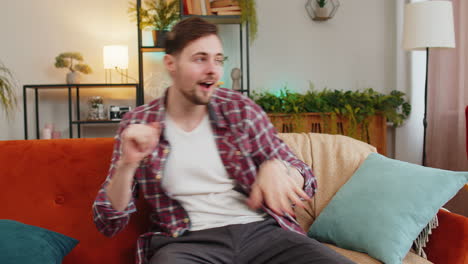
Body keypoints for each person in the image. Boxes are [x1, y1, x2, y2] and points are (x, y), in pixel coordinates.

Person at [93, 17, 354, 264]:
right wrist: (127, 164)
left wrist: (278, 167)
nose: (212, 70)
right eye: (200, 59)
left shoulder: (240, 109)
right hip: (184, 243)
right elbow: (108, 220)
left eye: (218, 60)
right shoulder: (138, 122)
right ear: (171, 64)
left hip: (261, 233)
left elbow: (306, 177)